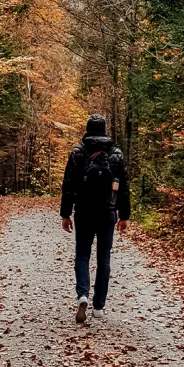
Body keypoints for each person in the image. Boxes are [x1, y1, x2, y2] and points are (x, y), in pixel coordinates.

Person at [60, 114, 131, 323]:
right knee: (104, 258)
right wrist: (124, 215)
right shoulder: (116, 154)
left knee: (82, 255)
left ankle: (82, 295)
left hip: (83, 212)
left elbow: (68, 186)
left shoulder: (78, 153)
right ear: (105, 130)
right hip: (107, 212)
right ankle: (99, 306)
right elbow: (125, 188)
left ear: (87, 129)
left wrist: (66, 214)